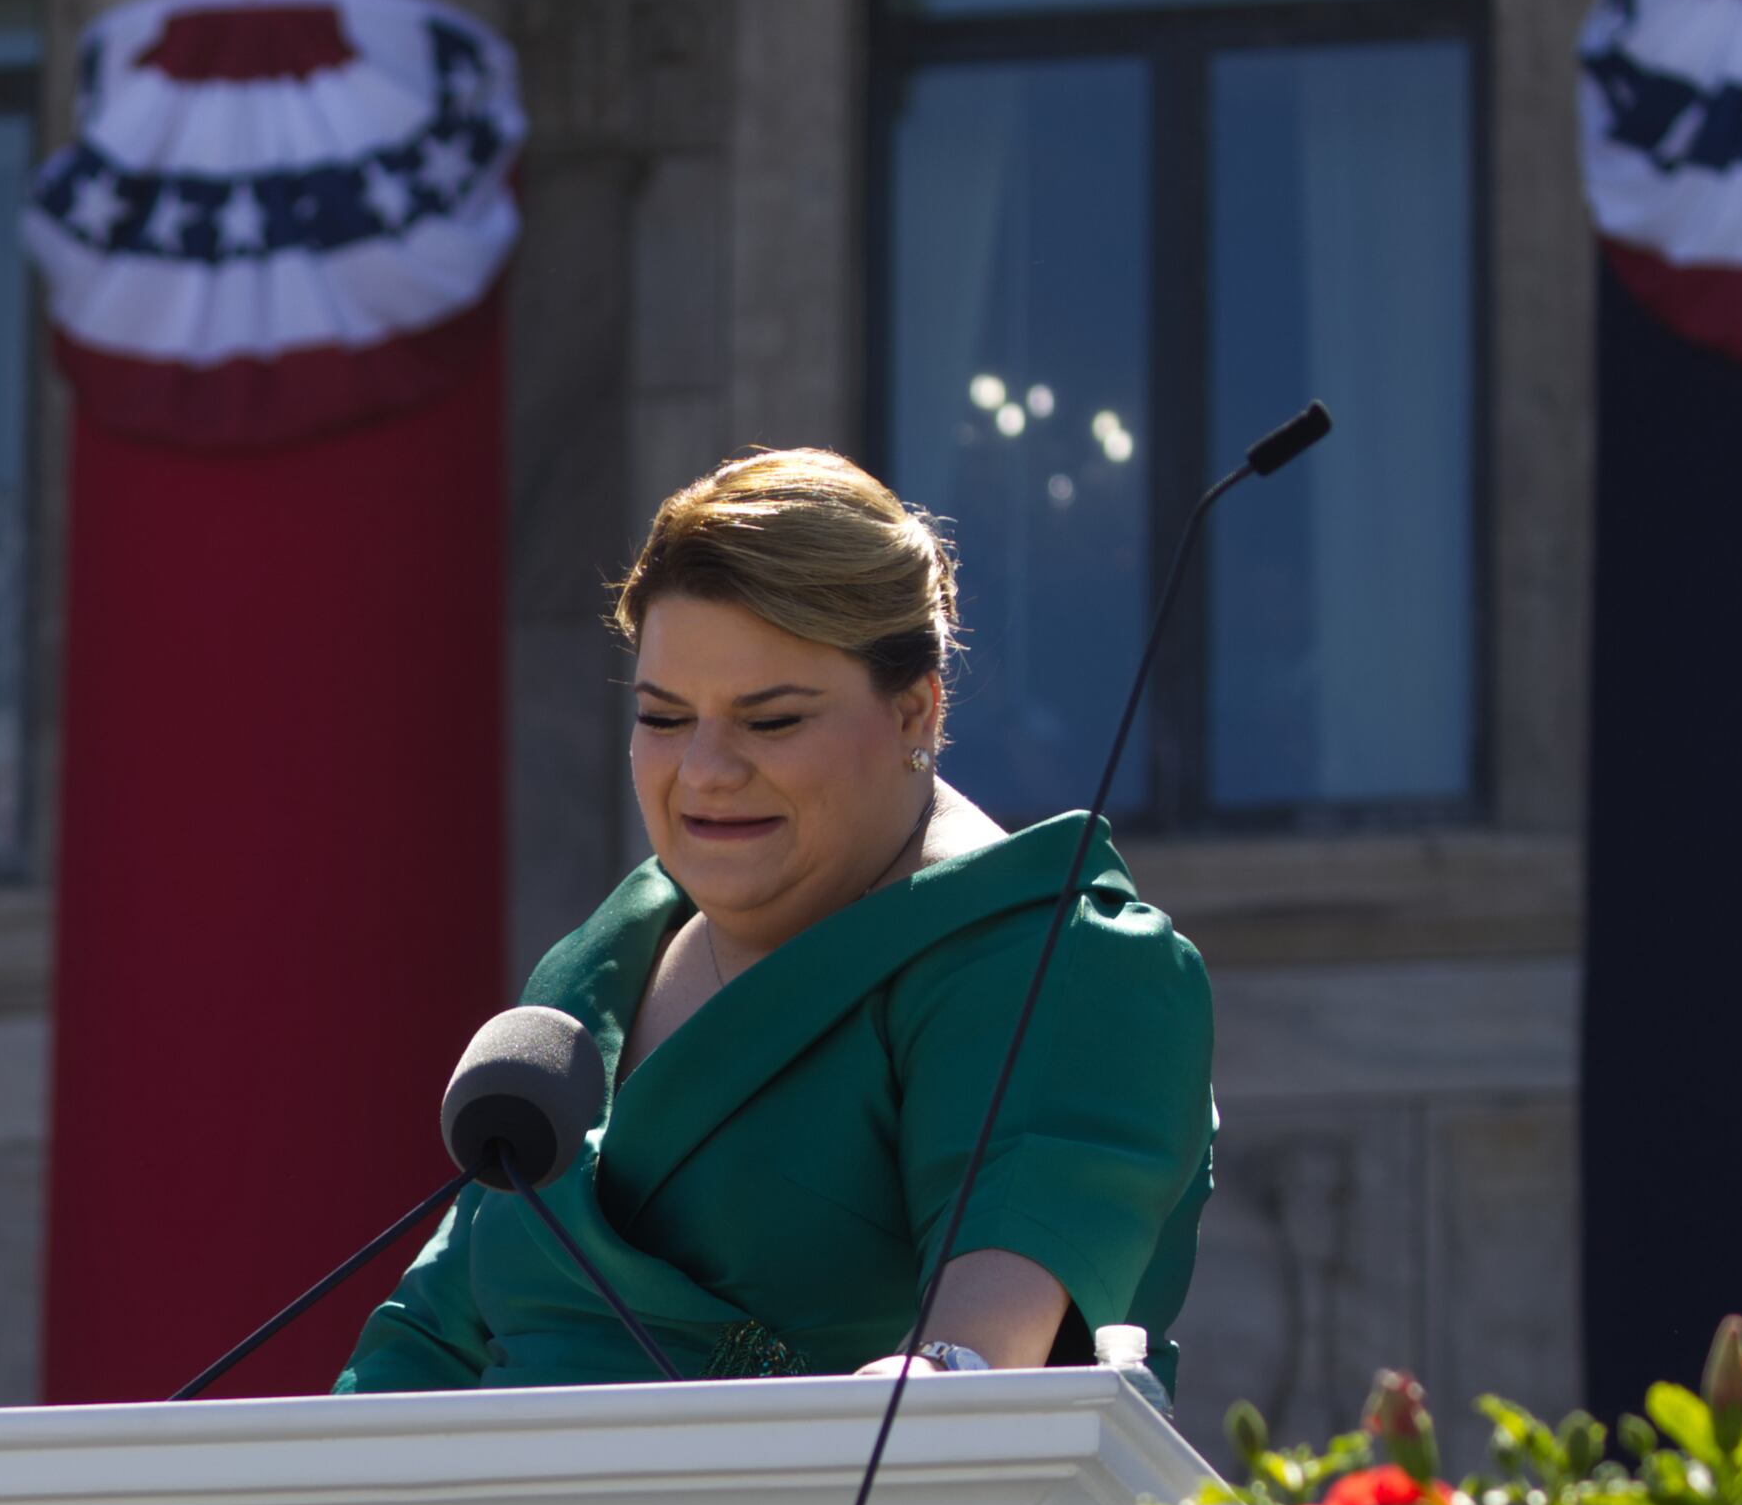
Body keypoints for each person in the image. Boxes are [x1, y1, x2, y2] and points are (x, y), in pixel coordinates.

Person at [338, 447, 1213, 1391]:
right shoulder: (585, 981)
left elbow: (966, 1376)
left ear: (916, 713)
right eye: (665, 718)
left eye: (771, 721)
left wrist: (935, 1375)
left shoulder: (1057, 959)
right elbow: (417, 1353)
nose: (705, 772)